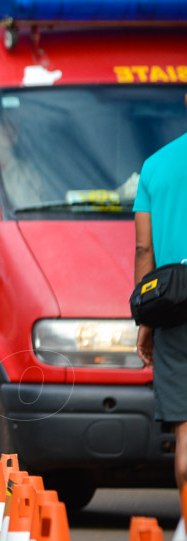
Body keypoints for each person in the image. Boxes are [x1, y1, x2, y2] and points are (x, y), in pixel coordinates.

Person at [134, 94, 187, 494]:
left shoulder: (154, 167)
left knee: (185, 436)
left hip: (175, 310)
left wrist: (145, 322)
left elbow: (143, 250)